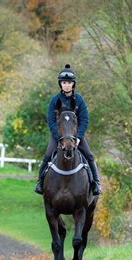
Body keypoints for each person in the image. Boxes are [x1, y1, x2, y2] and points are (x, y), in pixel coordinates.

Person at [35, 64, 102, 196]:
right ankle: (40, 182)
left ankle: (96, 183)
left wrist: (78, 137)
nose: (66, 85)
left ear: (73, 84)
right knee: (48, 155)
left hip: (75, 136)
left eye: (69, 83)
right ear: (61, 84)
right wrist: (58, 137)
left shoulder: (79, 100)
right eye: (64, 82)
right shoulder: (55, 100)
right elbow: (51, 120)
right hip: (58, 136)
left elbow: (84, 119)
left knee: (89, 156)